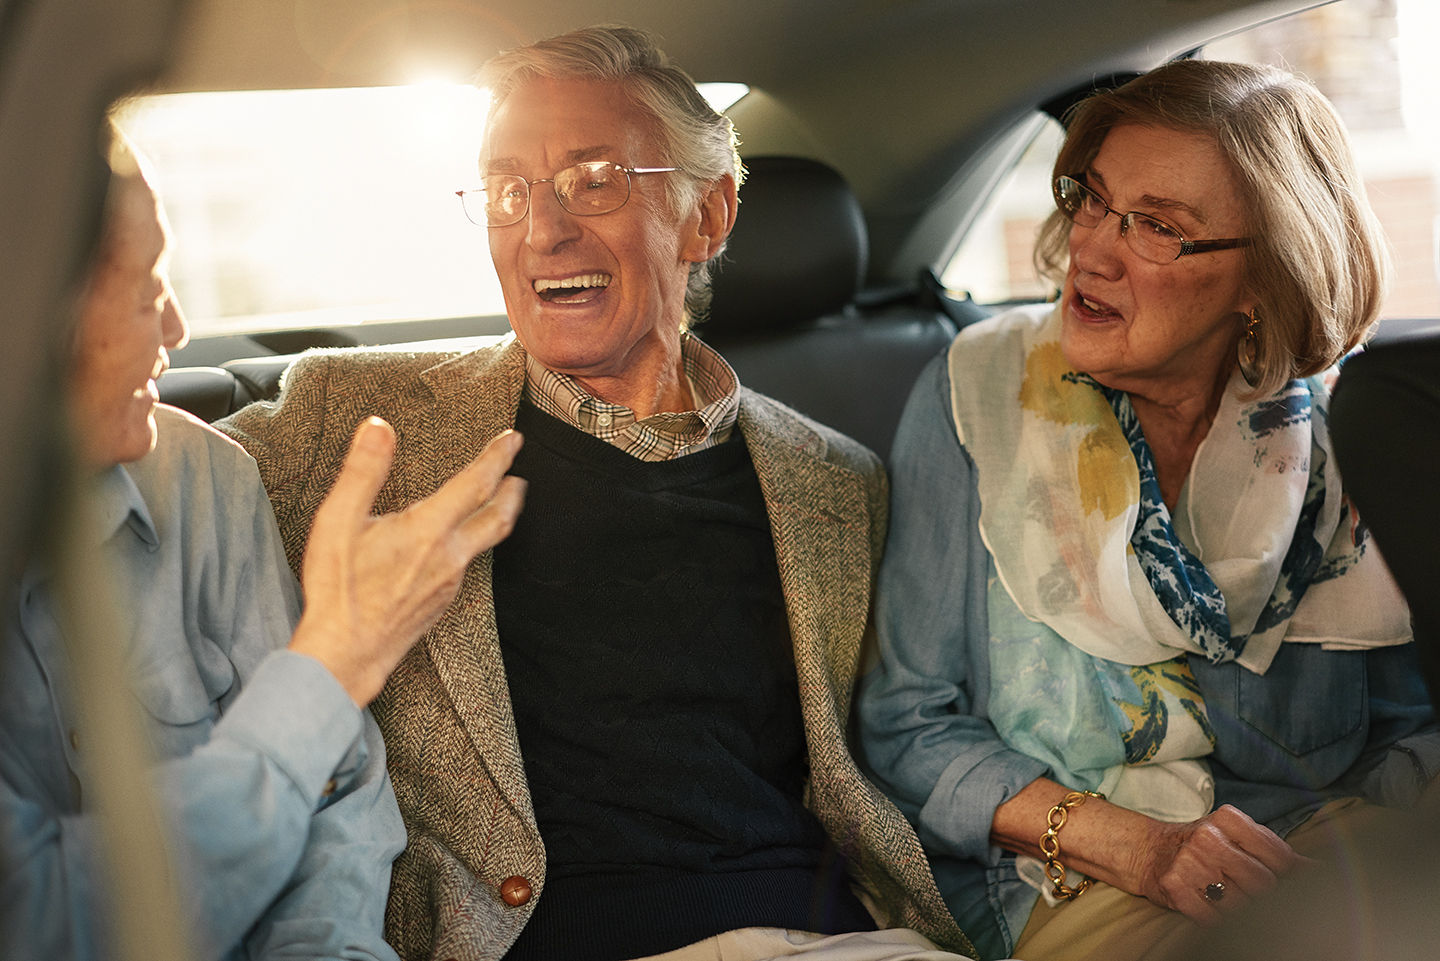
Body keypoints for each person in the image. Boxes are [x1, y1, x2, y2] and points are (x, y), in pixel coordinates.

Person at [219, 24, 976, 961]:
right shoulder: (351, 420)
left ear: (709, 215)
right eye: (507, 191)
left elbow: (911, 739)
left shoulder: (839, 481)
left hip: (831, 935)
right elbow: (132, 490)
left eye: (594, 180)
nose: (542, 229)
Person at [855, 59, 1440, 961]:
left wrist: (1362, 858)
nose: (1091, 248)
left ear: (1264, 279)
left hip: (1320, 853)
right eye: (1091, 199)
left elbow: (1410, 727)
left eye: (1157, 227)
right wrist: (1144, 847)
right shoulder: (977, 398)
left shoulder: (1333, 431)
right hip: (1070, 876)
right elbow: (908, 723)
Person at [0, 123, 526, 959]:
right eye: (144, 291)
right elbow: (50, 921)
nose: (173, 329)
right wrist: (331, 665)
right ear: (29, 314)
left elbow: (338, 803)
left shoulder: (204, 478)